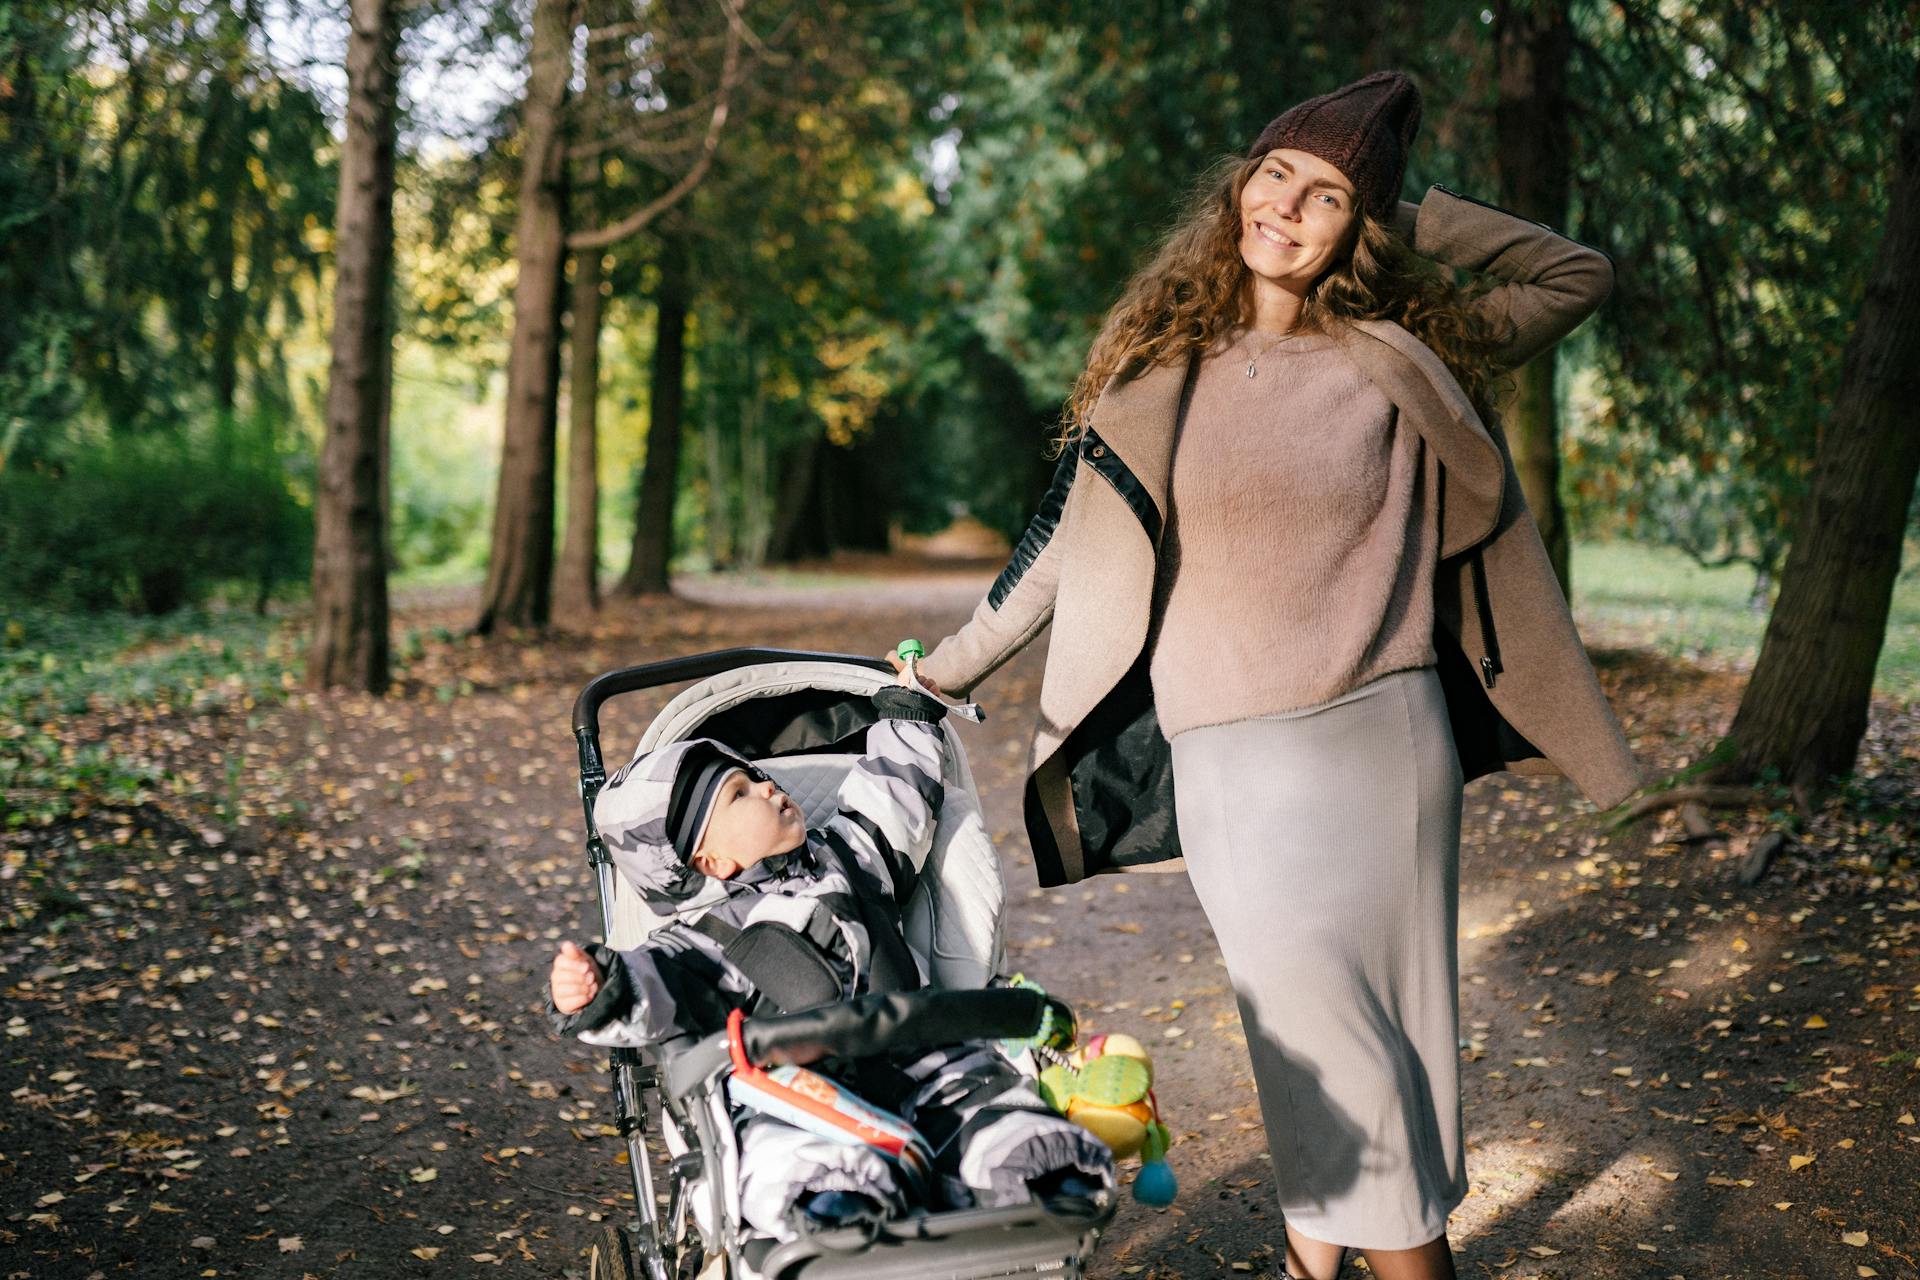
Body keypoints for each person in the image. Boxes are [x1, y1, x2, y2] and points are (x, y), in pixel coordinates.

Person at [905, 71, 1641, 1280]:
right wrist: (943, 670)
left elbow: (1578, 276)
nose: (1288, 208)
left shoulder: (1402, 354)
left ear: (1364, 228)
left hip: (1390, 752)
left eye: (1332, 196)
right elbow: (1054, 554)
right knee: (1319, 1046)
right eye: (1279, 174)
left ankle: (1334, 1264)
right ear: (1242, 183)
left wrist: (1410, 207)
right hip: (1235, 769)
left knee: (1383, 1046)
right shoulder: (1161, 373)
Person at [546, 669, 1113, 1242]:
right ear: (710, 862)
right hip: (796, 1090)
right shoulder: (700, 939)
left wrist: (907, 716)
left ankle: (1033, 1171)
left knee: (986, 1101)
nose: (766, 786)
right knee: (777, 1147)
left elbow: (893, 799)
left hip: (918, 1057)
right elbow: (652, 982)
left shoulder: (849, 858)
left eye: (755, 777)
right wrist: (602, 985)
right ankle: (836, 1207)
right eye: (740, 795)